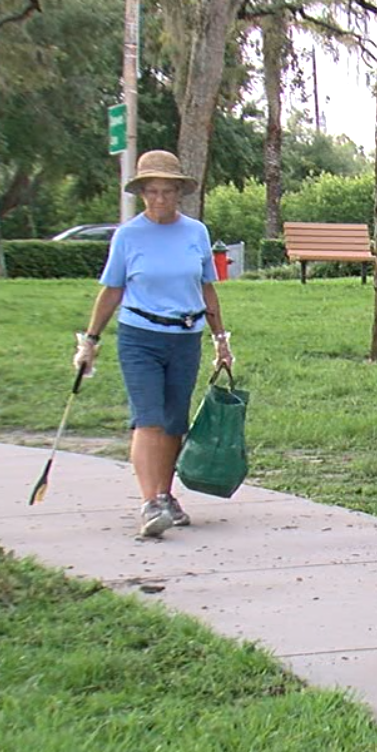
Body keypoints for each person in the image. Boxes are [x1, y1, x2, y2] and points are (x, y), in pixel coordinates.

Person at [73, 150, 234, 539]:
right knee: (148, 419)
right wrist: (90, 340)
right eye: (152, 192)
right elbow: (111, 291)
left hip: (185, 336)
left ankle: (165, 494)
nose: (160, 199)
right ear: (142, 193)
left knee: (174, 421)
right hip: (139, 336)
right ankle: (150, 503)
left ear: (179, 193)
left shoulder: (196, 232)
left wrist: (221, 340)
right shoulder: (128, 236)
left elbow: (206, 288)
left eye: (167, 191)